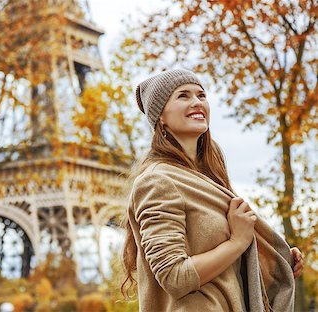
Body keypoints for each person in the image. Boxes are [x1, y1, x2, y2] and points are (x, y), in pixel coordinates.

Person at [122, 69, 304, 311]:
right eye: (183, 96)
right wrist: (237, 241)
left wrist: (275, 262)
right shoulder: (158, 181)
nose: (196, 102)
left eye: (201, 95)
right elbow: (174, 277)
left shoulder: (209, 178)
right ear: (161, 117)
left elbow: (225, 273)